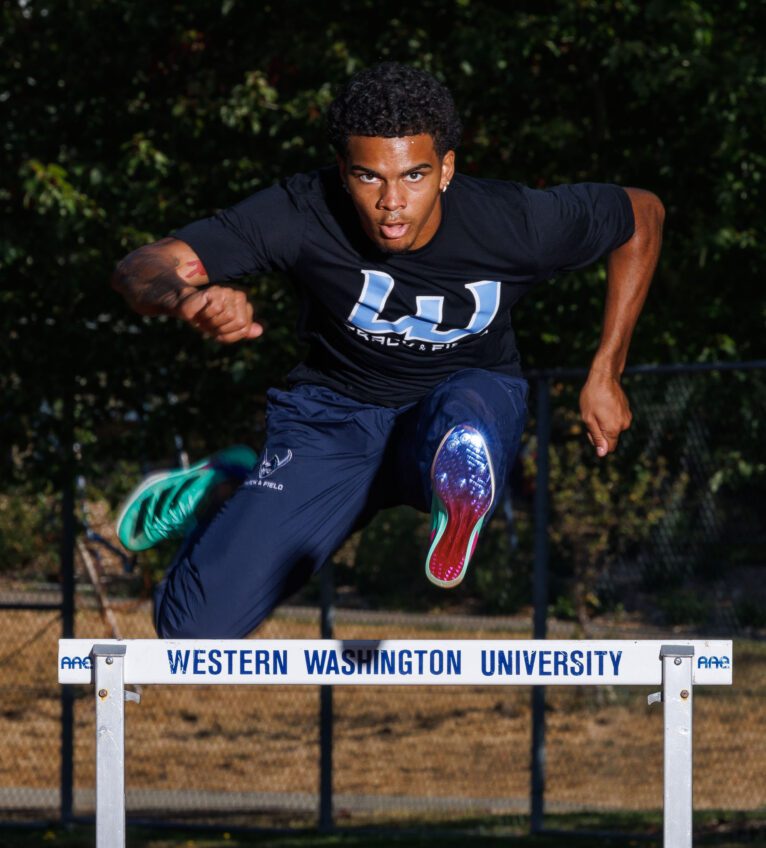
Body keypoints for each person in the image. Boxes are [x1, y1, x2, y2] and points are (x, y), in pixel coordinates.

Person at [112, 62, 664, 640]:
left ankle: (456, 483)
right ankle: (231, 485)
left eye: (415, 175)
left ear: (447, 168)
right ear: (343, 173)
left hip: (459, 401)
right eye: (369, 178)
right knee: (192, 633)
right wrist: (185, 299)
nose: (392, 203)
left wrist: (608, 368)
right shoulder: (300, 212)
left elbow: (642, 215)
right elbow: (142, 266)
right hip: (333, 422)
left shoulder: (517, 223)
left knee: (466, 412)